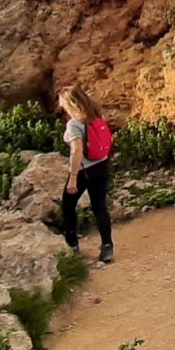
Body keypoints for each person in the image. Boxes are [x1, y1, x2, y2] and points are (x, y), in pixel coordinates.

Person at [58, 87, 115, 264]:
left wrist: (73, 176)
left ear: (69, 104)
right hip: (103, 166)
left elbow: (77, 150)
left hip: (85, 171)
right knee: (99, 207)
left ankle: (72, 244)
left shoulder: (75, 124)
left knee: (68, 205)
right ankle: (107, 247)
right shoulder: (96, 116)